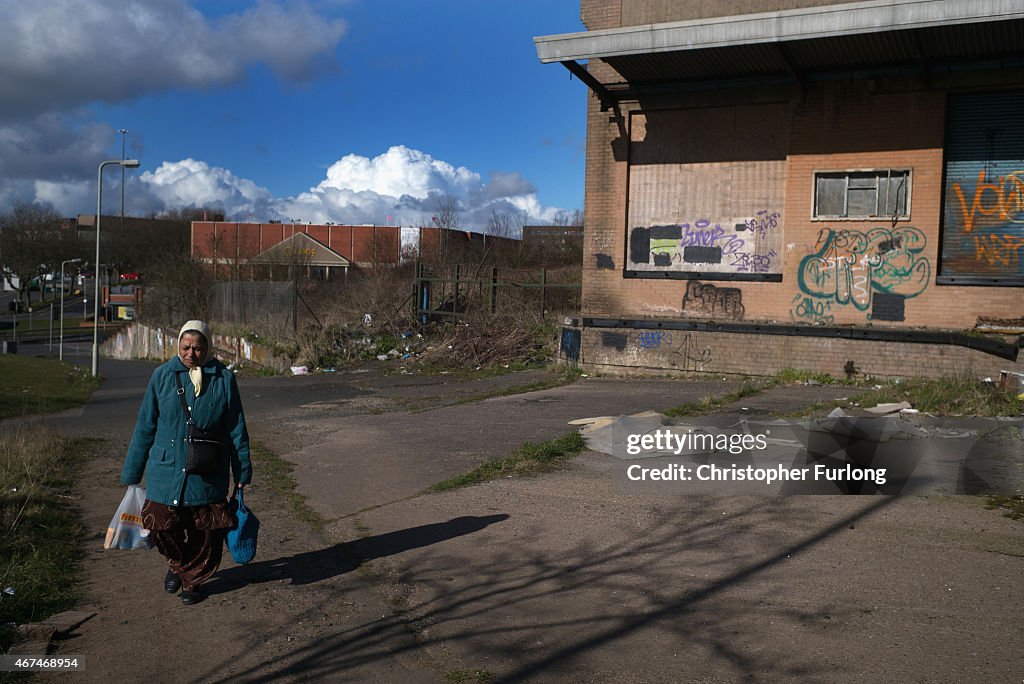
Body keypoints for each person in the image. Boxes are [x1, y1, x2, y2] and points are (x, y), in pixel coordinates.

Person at [121, 320, 252, 605]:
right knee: (159, 525)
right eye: (186, 347)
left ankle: (192, 582)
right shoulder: (161, 376)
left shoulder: (223, 379)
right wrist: (132, 471)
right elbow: (145, 425)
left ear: (208, 348)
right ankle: (178, 565)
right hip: (166, 470)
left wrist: (242, 469)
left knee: (204, 532)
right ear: (178, 345)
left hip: (207, 472)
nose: (191, 353)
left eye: (197, 348)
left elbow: (236, 428)